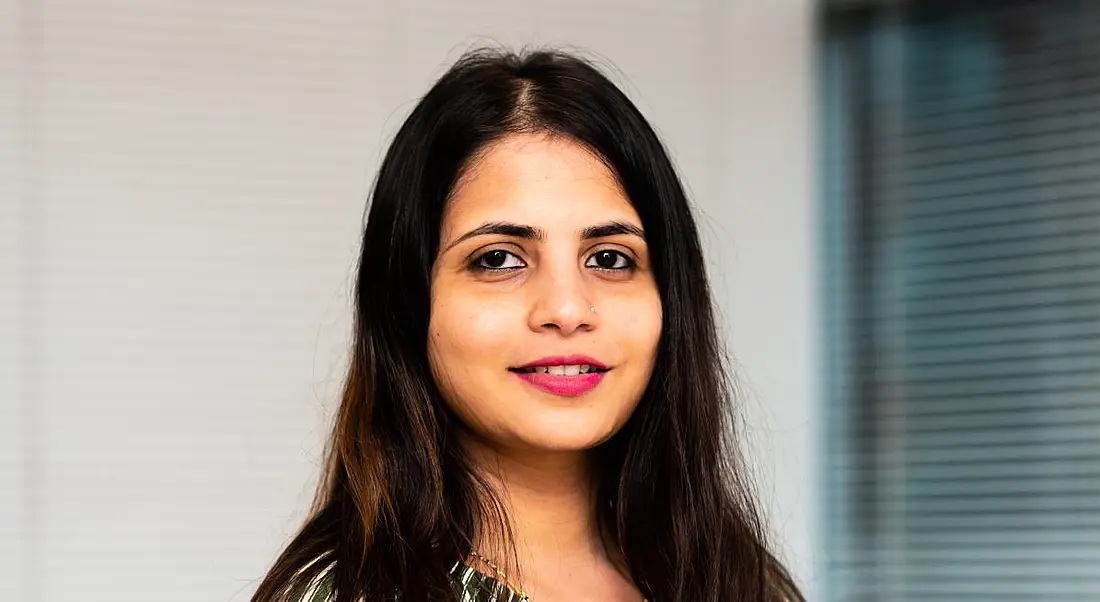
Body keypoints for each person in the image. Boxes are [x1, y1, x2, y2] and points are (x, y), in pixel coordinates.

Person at [251, 47, 803, 602]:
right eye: (498, 259)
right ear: (409, 302)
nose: (566, 309)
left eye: (610, 259)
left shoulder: (737, 581)